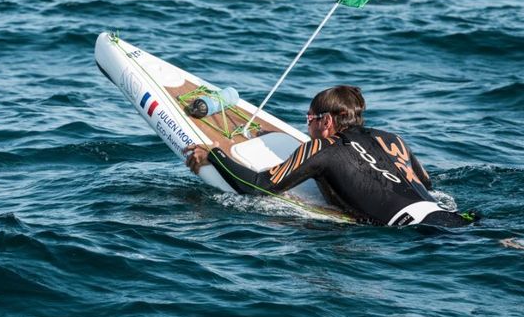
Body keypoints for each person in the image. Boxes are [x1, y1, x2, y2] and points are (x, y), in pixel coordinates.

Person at [184, 85, 474, 227]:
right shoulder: (391, 138)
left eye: (309, 118)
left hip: (415, 234)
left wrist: (214, 155)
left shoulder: (321, 148)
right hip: (453, 217)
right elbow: (427, 183)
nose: (306, 126)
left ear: (326, 121)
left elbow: (259, 185)